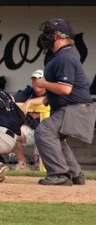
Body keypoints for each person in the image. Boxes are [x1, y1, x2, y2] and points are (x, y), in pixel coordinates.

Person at [32, 18, 95, 186]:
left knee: (43, 132)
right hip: (75, 108)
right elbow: (67, 88)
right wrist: (49, 96)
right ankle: (75, 174)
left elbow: (66, 89)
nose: (46, 37)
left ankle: (59, 174)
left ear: (60, 36)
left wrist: (43, 84)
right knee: (56, 137)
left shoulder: (65, 57)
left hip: (75, 109)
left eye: (49, 33)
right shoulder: (61, 56)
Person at [10, 69, 47, 170]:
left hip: (47, 133)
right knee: (12, 132)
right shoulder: (29, 92)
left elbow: (46, 100)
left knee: (39, 165)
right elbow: (13, 98)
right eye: (34, 80)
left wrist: (30, 102)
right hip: (31, 131)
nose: (36, 82)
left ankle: (39, 169)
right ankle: (23, 163)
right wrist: (9, 98)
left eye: (39, 79)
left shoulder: (52, 92)